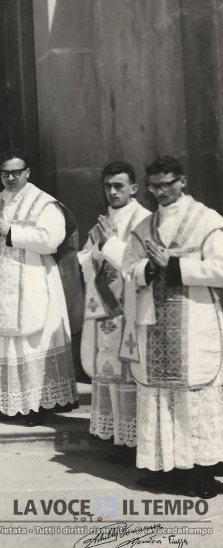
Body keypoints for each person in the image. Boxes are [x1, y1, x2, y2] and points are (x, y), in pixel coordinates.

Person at [122, 156, 223, 498]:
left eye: (166, 184)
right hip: (154, 323)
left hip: (194, 321)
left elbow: (221, 268)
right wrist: (149, 269)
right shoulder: (144, 226)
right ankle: (163, 468)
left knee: (192, 398)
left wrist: (174, 265)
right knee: (159, 396)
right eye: (154, 186)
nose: (160, 192)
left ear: (182, 181)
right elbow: (128, 268)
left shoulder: (207, 220)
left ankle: (201, 473)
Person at [0, 149, 78, 426]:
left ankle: (36, 405)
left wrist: (10, 232)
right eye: (5, 173)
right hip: (1, 282)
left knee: (32, 341)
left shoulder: (44, 203)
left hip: (33, 278)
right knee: (4, 342)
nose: (10, 178)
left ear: (27, 173)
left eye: (16, 173)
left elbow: (50, 240)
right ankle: (9, 404)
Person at [77, 162, 149, 464]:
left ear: (133, 188)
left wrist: (109, 246)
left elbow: (141, 263)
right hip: (106, 309)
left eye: (119, 185)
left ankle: (135, 441)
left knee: (131, 374)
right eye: (108, 186)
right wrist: (95, 254)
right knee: (109, 371)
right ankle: (117, 437)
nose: (112, 191)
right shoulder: (103, 221)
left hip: (131, 307)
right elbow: (85, 256)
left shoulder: (144, 220)